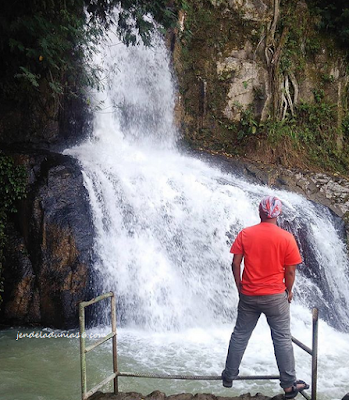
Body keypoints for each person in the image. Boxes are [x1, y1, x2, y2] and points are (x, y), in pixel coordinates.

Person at [222, 196, 309, 399]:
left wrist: (239, 286)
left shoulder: (246, 233)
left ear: (260, 212)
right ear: (277, 214)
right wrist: (289, 290)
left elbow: (235, 264)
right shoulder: (286, 238)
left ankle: (229, 376)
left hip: (249, 294)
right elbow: (290, 272)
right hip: (275, 297)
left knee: (240, 335)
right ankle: (288, 385)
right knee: (282, 339)